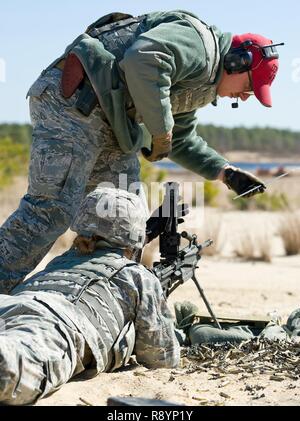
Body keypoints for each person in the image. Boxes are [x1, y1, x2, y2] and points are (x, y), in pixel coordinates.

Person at [0, 9, 280, 292]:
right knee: (51, 210)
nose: (246, 97)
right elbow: (142, 58)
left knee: (123, 223)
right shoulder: (199, 44)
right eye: (249, 86)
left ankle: (85, 301)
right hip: (73, 104)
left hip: (111, 121)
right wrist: (161, 131)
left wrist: (226, 172)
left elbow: (179, 139)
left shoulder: (203, 85)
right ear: (236, 62)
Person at [0, 188, 180, 406]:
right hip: (57, 324)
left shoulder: (61, 260)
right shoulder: (136, 275)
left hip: (11, 303)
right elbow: (161, 357)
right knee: (7, 369)